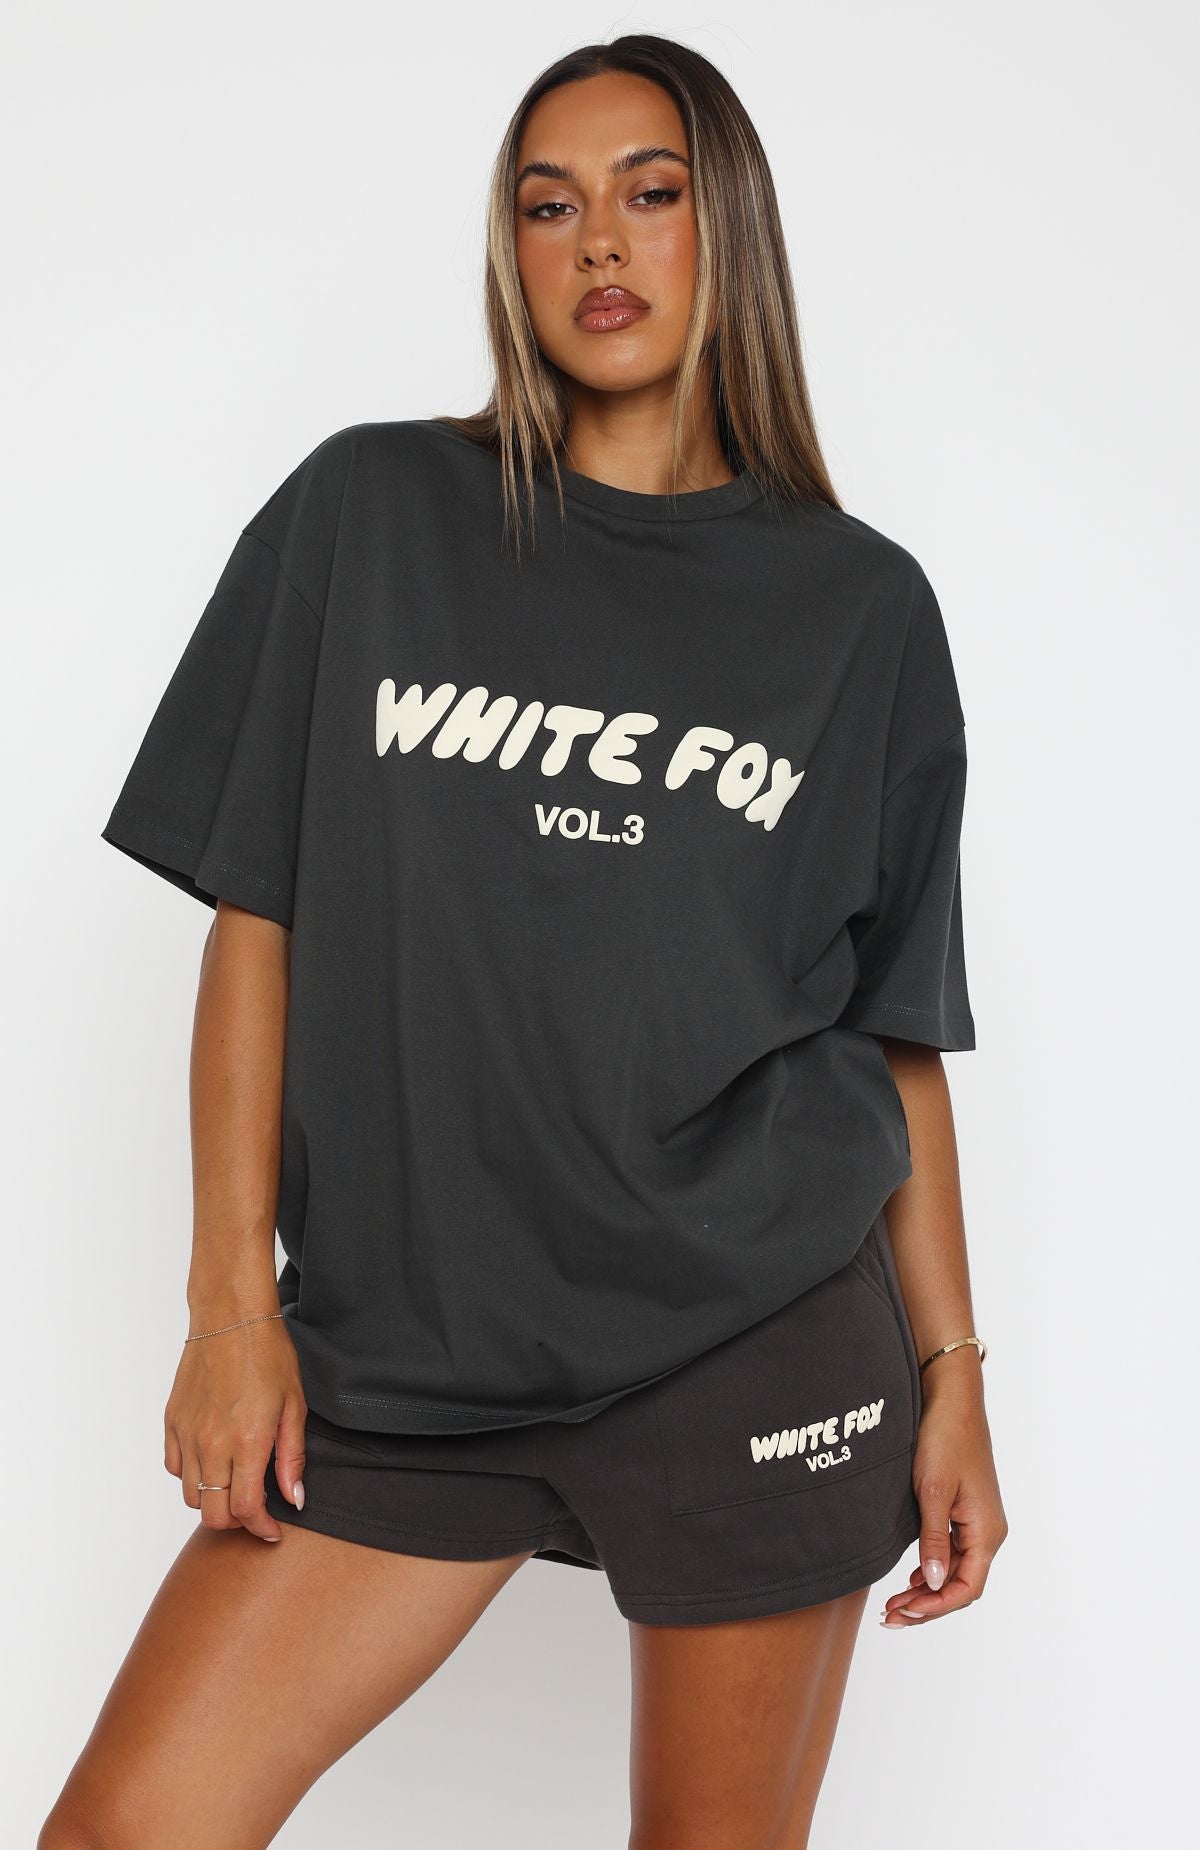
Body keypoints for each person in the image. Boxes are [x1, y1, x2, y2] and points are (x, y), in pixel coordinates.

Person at [43, 32, 1008, 1850]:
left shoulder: (861, 610)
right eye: (549, 207)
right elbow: (259, 916)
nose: (600, 244)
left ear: (728, 227)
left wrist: (957, 1374)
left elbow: (892, 1032)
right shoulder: (372, 514)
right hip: (411, 1355)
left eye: (650, 194)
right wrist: (229, 1301)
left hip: (757, 1338)